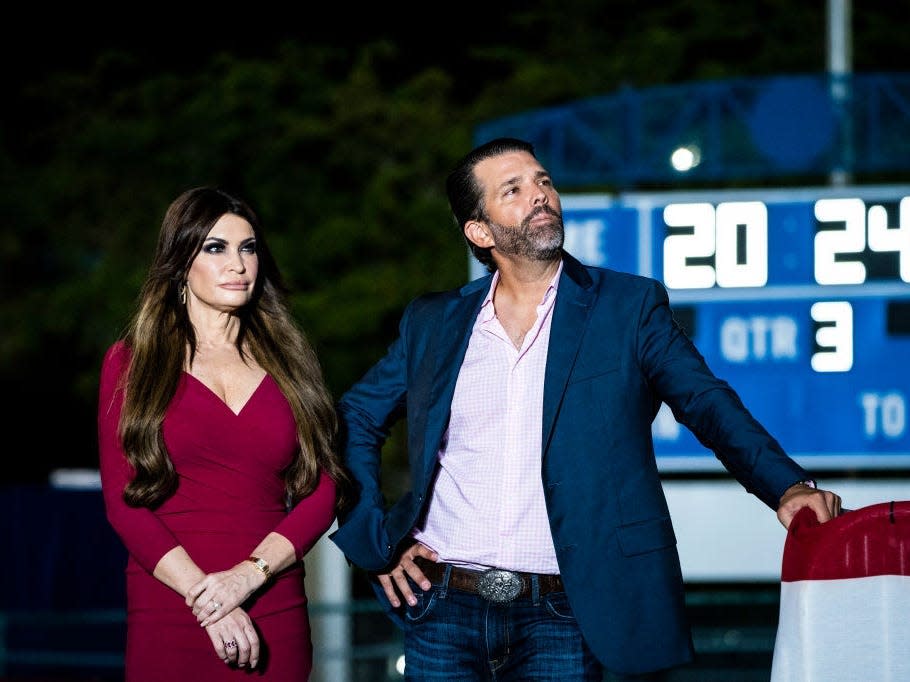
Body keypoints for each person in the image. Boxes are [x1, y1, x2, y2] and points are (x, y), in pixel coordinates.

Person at [329, 137, 844, 681]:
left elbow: (706, 402)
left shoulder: (627, 307)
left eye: (543, 181)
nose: (540, 195)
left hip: (566, 611)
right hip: (443, 608)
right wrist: (375, 541)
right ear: (479, 232)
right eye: (514, 189)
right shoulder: (433, 322)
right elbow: (356, 417)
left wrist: (786, 487)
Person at [98, 186, 352, 680]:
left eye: (248, 247)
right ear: (180, 263)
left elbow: (324, 488)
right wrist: (206, 596)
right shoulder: (133, 362)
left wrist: (246, 577)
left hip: (272, 601)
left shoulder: (290, 360)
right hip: (172, 604)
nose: (238, 264)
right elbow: (122, 501)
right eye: (216, 248)